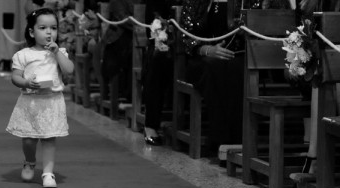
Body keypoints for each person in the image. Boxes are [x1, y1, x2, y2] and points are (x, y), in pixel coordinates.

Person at [6, 8, 74, 188]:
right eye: (43, 27)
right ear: (31, 31)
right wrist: (27, 82)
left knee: (49, 138)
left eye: (53, 28)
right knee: (29, 139)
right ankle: (29, 161)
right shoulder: (23, 54)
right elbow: (15, 77)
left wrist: (57, 52)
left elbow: (69, 70)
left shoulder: (59, 52)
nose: (49, 32)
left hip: (52, 101)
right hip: (31, 101)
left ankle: (48, 173)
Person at [180, 0, 245, 151]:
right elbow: (185, 34)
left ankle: (239, 141)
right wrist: (206, 49)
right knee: (213, 68)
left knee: (237, 69)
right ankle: (221, 140)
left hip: (235, 56)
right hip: (201, 58)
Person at [141, 0, 177, 145]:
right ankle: (151, 124)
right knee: (159, 60)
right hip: (163, 42)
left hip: (193, 40)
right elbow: (154, 21)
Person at [101, 0, 141, 102]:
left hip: (138, 35)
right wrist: (142, 24)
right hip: (118, 37)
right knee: (131, 54)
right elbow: (122, 18)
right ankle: (130, 96)